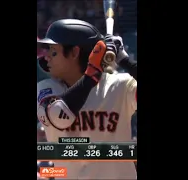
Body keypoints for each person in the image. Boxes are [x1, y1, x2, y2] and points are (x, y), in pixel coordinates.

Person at [37, 19, 137, 179]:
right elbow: (59, 115)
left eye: (53, 51)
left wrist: (125, 61)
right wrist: (91, 75)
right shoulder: (46, 88)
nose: (46, 56)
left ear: (75, 52)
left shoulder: (121, 86)